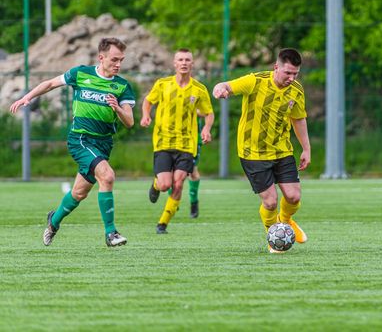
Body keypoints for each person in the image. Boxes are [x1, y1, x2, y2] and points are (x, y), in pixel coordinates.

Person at [10, 37, 135, 247]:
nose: (118, 64)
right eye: (114, 59)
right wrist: (27, 97)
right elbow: (50, 84)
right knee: (107, 176)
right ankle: (111, 233)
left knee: (79, 193)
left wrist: (117, 108)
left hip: (103, 144)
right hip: (80, 139)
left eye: (121, 60)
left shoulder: (122, 86)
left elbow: (129, 121)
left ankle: (53, 221)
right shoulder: (81, 73)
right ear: (101, 57)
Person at [212, 48, 311, 253]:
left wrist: (306, 149)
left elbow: (298, 118)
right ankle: (273, 236)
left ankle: (285, 221)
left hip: (282, 150)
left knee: (294, 197)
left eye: (295, 74)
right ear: (276, 67)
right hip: (253, 152)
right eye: (288, 73)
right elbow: (227, 85)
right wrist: (219, 89)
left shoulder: (296, 90)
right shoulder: (255, 81)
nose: (292, 78)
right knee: (271, 201)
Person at [140, 48, 214, 234]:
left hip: (187, 144)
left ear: (192, 64)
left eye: (187, 60)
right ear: (174, 63)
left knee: (179, 183)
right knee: (165, 184)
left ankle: (162, 224)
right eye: (180, 59)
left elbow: (209, 113)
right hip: (163, 142)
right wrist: (146, 115)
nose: (184, 63)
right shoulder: (163, 84)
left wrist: (206, 128)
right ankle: (156, 184)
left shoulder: (199, 89)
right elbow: (148, 101)